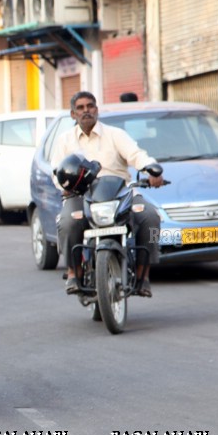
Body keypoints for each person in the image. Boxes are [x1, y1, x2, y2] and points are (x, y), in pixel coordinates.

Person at [49, 91, 164, 297]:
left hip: (119, 192)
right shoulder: (64, 140)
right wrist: (63, 186)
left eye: (90, 106)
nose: (86, 111)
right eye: (81, 108)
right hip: (80, 195)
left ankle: (143, 274)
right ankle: (73, 271)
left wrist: (151, 169)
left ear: (97, 110)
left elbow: (137, 155)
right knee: (67, 221)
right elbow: (56, 172)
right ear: (73, 114)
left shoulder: (115, 134)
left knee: (151, 216)